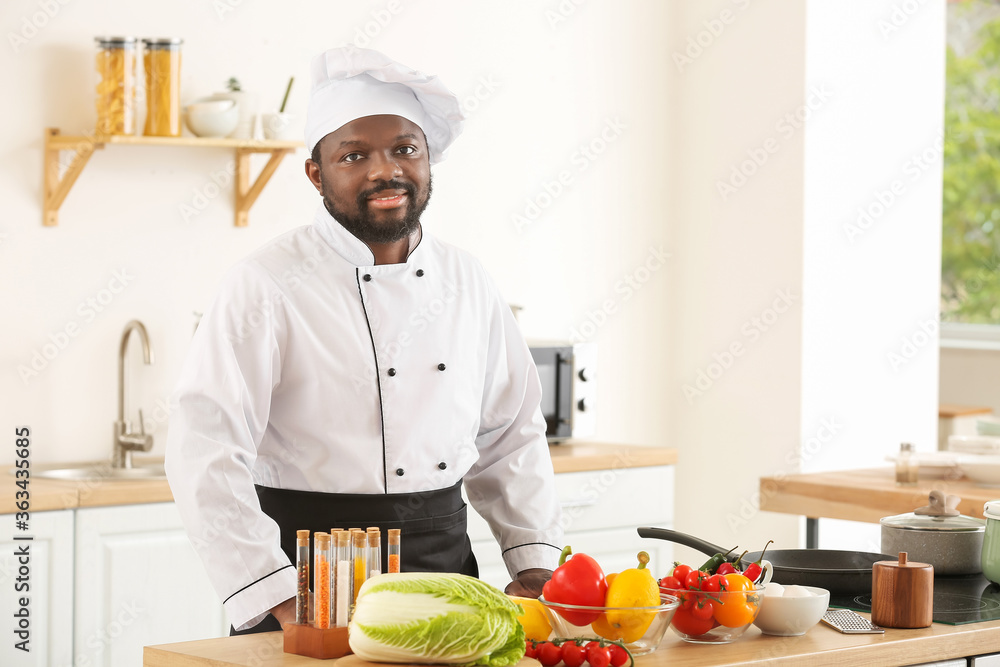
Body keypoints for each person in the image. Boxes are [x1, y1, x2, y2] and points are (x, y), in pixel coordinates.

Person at [165, 46, 563, 634]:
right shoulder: (266, 283)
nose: (385, 171)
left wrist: (532, 561)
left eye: (405, 149)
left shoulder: (468, 279)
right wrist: (277, 595)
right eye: (354, 155)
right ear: (316, 173)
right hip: (309, 573)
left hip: (445, 568)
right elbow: (204, 448)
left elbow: (511, 434)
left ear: (427, 158)